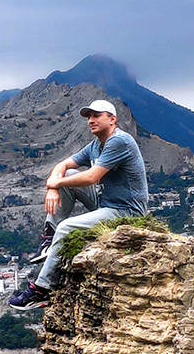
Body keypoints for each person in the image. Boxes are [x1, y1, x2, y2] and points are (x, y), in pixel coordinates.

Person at [9, 99, 148, 309]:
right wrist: (54, 186)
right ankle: (48, 239)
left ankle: (42, 290)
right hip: (105, 204)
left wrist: (55, 182)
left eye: (96, 115)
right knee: (70, 174)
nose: (91, 120)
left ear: (112, 119)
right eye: (89, 117)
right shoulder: (96, 145)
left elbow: (92, 177)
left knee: (67, 227)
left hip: (126, 211)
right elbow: (63, 164)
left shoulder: (120, 141)